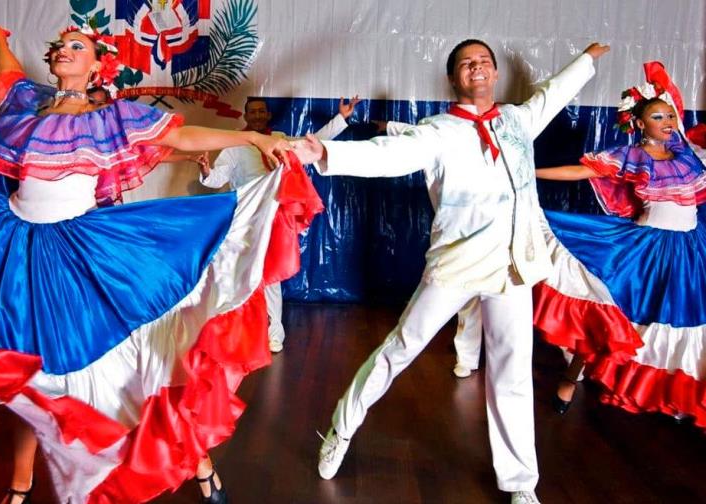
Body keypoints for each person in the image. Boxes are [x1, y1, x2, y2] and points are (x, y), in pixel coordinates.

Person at [0, 24, 323, 504]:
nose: (62, 50)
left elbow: (181, 137)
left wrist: (252, 138)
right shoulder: (23, 104)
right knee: (25, 371)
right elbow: (6, 71)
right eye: (59, 44)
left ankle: (196, 459)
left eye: (76, 46)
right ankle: (20, 484)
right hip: (10, 247)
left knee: (128, 365)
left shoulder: (112, 117)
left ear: (98, 66)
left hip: (78, 252)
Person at [293, 39, 609, 504]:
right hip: (457, 264)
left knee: (512, 372)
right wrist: (325, 153)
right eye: (466, 64)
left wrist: (587, 60)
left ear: (495, 73)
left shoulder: (518, 120)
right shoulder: (437, 131)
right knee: (400, 349)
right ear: (454, 78)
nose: (476, 69)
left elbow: (551, 94)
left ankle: (521, 483)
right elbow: (386, 155)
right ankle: (341, 428)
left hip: (512, 266)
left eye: (483, 61)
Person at [533, 62, 706, 427]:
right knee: (613, 315)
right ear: (642, 125)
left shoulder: (686, 151)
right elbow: (581, 171)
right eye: (659, 117)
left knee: (686, 321)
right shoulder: (632, 156)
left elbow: (671, 96)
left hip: (690, 250)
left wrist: (660, 83)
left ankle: (676, 394)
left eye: (671, 115)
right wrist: (527, 171)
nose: (668, 121)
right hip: (646, 250)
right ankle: (570, 377)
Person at [200, 96, 361, 352]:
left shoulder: (280, 139)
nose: (257, 115)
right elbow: (217, 178)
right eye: (252, 111)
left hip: (273, 218)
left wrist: (341, 118)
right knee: (237, 274)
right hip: (243, 219)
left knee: (271, 277)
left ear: (267, 115)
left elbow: (312, 145)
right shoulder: (234, 145)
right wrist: (207, 171)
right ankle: (235, 332)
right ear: (245, 116)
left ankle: (274, 334)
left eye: (261, 111)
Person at [383, 120, 484, 377]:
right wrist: (384, 125)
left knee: (499, 305)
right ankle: (467, 357)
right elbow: (409, 131)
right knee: (463, 299)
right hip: (455, 238)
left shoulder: (503, 144)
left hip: (496, 236)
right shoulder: (445, 137)